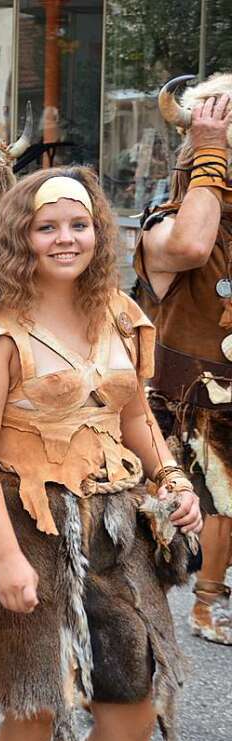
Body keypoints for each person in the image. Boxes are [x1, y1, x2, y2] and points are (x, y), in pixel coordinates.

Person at [0, 167, 203, 741]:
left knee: (133, 698)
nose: (65, 238)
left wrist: (172, 477)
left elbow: (136, 417)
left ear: (98, 232)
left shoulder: (118, 314)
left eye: (79, 225)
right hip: (23, 525)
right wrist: (6, 557)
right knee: (34, 705)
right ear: (21, 237)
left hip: (114, 527)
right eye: (47, 227)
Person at [137, 76, 232, 646]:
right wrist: (210, 157)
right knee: (206, 507)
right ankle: (190, 608)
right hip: (183, 409)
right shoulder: (162, 226)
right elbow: (193, 247)